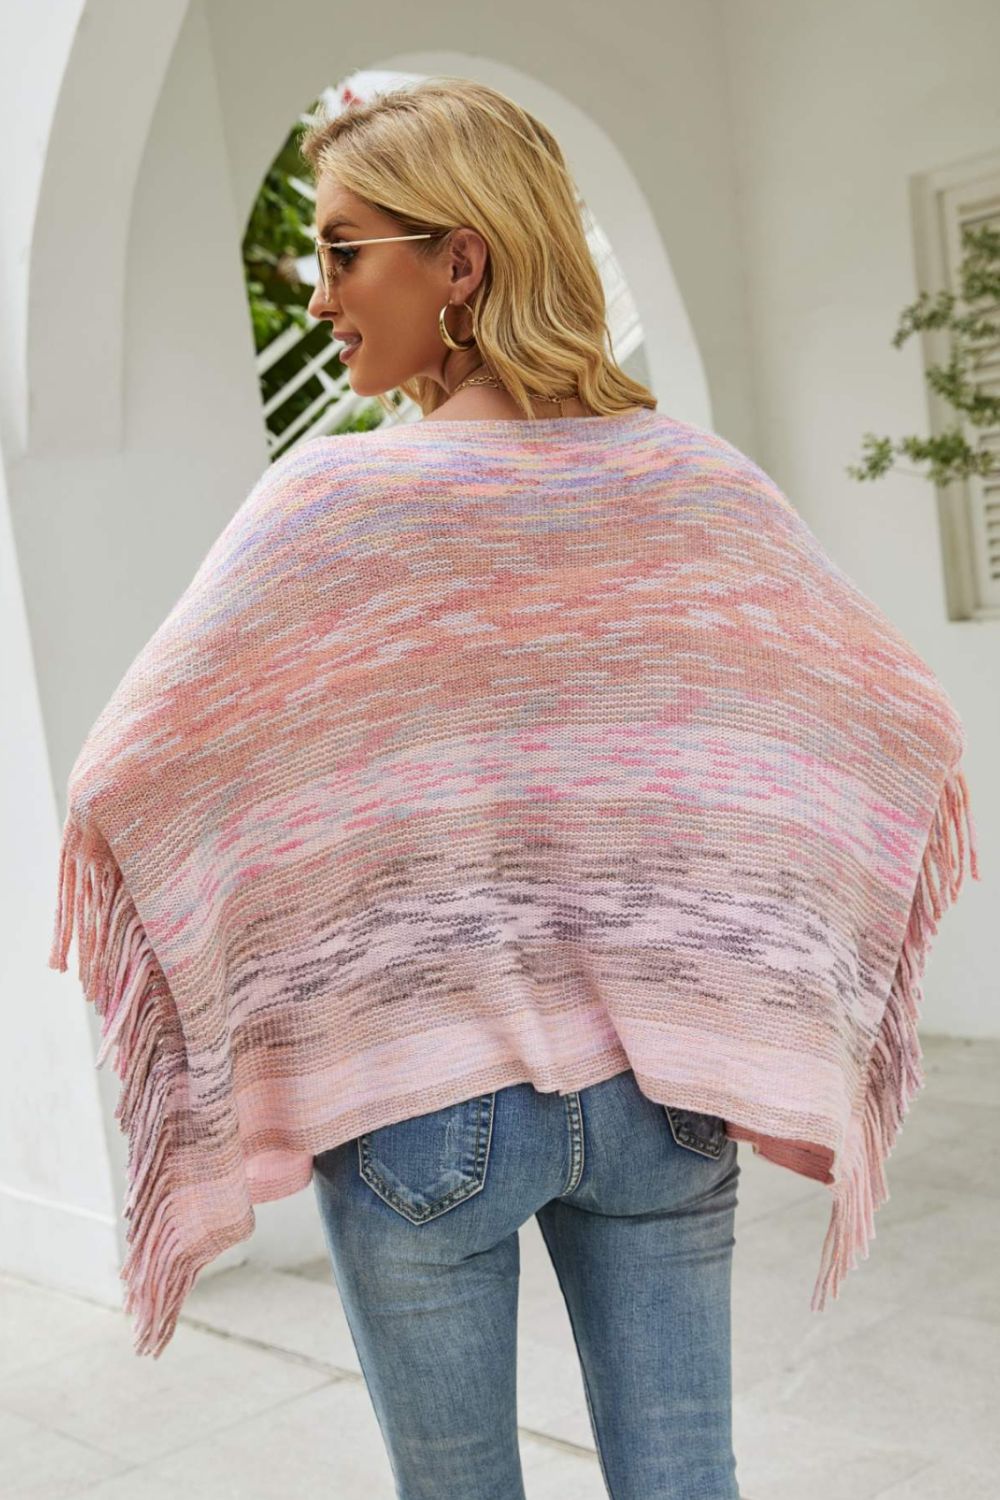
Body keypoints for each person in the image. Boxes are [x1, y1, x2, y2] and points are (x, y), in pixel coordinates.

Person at [299, 77, 742, 1500]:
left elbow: (139, 774)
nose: (318, 296)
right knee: (688, 1480)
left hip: (427, 1095)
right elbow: (881, 721)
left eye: (343, 250)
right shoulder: (691, 484)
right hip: (664, 1086)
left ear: (461, 260)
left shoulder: (334, 513)